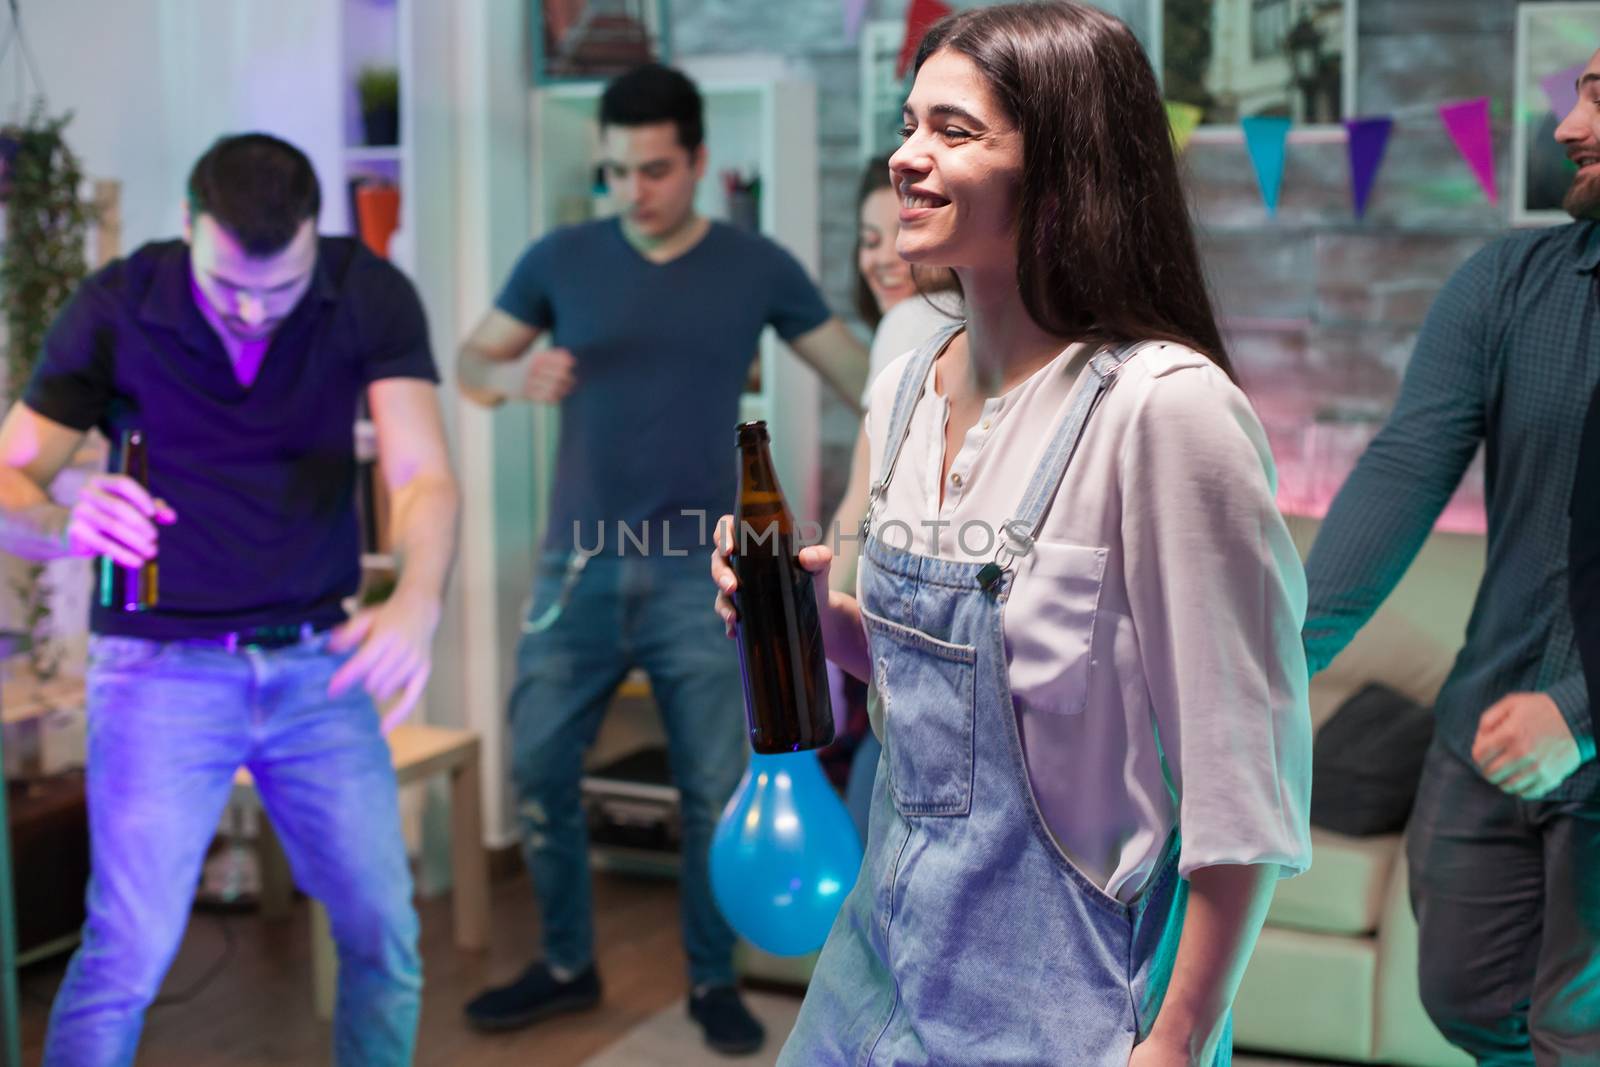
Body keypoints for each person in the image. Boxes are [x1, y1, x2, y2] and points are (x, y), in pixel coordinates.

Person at [713, 5, 1312, 1063]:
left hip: (1063, 992)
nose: (905, 157)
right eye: (909, 123)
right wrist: (819, 622)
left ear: (1064, 168)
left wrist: (1173, 1042)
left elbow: (1241, 787)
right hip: (881, 954)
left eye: (953, 131)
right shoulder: (901, 391)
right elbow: (924, 676)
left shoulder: (1163, 410)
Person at [0, 132, 458, 1066]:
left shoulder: (366, 291)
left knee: (385, 935)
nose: (252, 311)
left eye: (278, 291)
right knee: (126, 953)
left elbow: (421, 476)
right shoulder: (118, 304)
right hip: (156, 673)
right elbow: (8, 482)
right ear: (187, 227)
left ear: (313, 241)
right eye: (227, 286)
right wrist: (64, 520)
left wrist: (417, 596)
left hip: (315, 669)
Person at [457, 63, 867, 1055]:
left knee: (714, 786)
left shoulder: (754, 265)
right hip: (579, 565)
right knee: (540, 765)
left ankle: (708, 977)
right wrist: (517, 375)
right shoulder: (560, 257)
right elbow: (472, 363)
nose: (631, 190)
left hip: (702, 574)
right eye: (614, 172)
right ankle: (565, 961)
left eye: (651, 169)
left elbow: (867, 376)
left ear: (696, 160)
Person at [1304, 48, 1600, 1063]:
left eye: (1598, 97)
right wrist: (1270, 659)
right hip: (1483, 718)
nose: (1566, 126)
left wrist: (1577, 710)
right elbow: (1400, 472)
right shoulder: (1507, 283)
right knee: (1463, 992)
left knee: (1577, 1024)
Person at [828, 155, 960, 837]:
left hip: (908, 643)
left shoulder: (912, 324)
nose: (883, 258)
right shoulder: (980, 329)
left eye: (900, 231)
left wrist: (814, 635)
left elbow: (863, 504)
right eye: (868, 239)